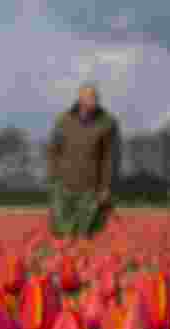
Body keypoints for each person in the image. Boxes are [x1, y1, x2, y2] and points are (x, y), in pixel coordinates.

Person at [46, 83, 121, 238]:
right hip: (64, 186)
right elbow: (53, 149)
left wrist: (106, 187)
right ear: (79, 99)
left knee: (85, 233)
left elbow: (111, 158)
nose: (92, 101)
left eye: (95, 98)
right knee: (62, 232)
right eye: (88, 97)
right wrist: (53, 177)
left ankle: (83, 260)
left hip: (91, 188)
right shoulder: (64, 120)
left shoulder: (107, 123)